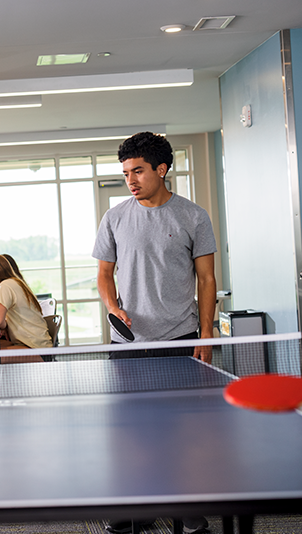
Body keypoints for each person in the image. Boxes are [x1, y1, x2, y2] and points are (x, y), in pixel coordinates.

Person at [92, 132, 216, 534]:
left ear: (162, 170)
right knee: (132, 431)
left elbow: (207, 280)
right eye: (126, 172)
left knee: (182, 429)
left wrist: (207, 334)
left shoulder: (193, 216)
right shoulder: (114, 217)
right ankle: (137, 509)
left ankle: (186, 507)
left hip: (181, 338)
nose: (130, 179)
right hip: (128, 345)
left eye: (139, 171)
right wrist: (114, 308)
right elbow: (104, 275)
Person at [0, 254, 52, 361]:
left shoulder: (6, 286)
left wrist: (3, 323)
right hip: (23, 344)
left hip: (37, 349)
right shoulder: (1, 288)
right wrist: (3, 323)